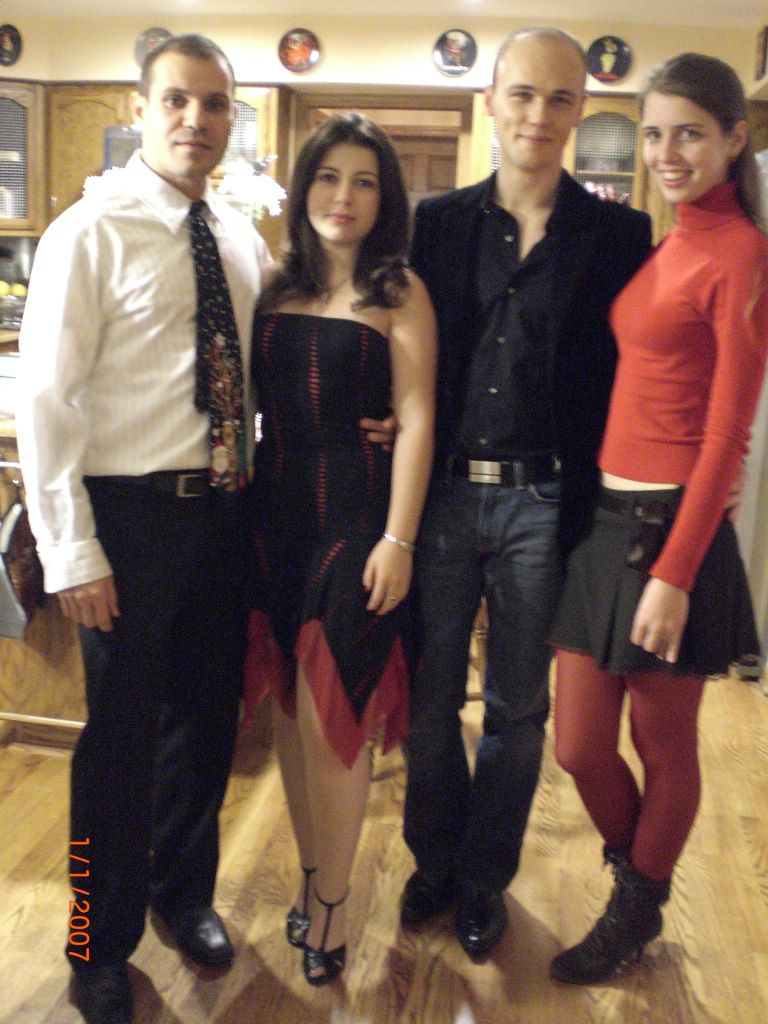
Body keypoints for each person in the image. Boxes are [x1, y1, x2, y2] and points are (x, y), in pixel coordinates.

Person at [16, 34, 270, 1024]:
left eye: (214, 104)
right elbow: (47, 400)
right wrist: (72, 549)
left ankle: (181, 894)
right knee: (118, 743)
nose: (195, 121)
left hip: (223, 514)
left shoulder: (239, 238)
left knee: (205, 724)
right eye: (176, 100)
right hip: (126, 521)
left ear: (232, 117)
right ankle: (95, 940)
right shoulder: (89, 232)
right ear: (142, 107)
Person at [394, 27, 654, 958]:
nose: (539, 114)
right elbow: (398, 344)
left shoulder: (621, 235)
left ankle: (482, 880)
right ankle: (433, 861)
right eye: (522, 94)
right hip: (443, 497)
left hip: (546, 503)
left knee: (517, 710)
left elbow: (638, 372)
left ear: (581, 110)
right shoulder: (434, 224)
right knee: (429, 701)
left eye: (559, 97)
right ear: (491, 102)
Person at [549, 52, 768, 985]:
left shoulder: (742, 251)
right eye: (652, 133)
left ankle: (632, 908)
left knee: (660, 743)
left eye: (689, 133)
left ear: (734, 138)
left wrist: (678, 572)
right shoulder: (670, 240)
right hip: (607, 521)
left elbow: (728, 432)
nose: (667, 152)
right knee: (577, 744)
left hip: (670, 530)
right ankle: (638, 883)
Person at [244, 112, 436, 985]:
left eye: (364, 181)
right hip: (272, 516)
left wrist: (399, 537)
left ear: (384, 199)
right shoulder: (271, 285)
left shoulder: (400, 291)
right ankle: (312, 872)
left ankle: (331, 903)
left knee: (334, 717)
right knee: (289, 710)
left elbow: (418, 417)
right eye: (328, 177)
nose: (344, 196)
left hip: (358, 519)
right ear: (304, 187)